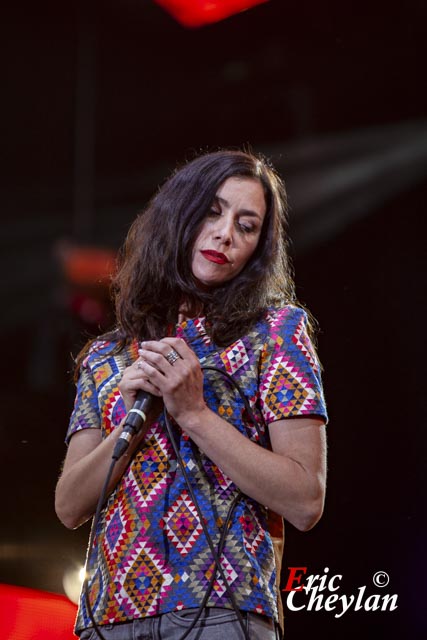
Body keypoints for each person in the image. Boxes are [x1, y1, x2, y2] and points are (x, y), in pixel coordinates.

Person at [55, 149, 328, 640]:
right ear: (179, 215)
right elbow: (70, 505)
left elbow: (305, 500)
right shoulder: (106, 356)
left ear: (258, 248)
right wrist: (132, 422)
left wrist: (195, 412)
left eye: (247, 226)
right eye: (212, 211)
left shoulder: (276, 333)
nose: (226, 233)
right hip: (107, 618)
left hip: (222, 613)